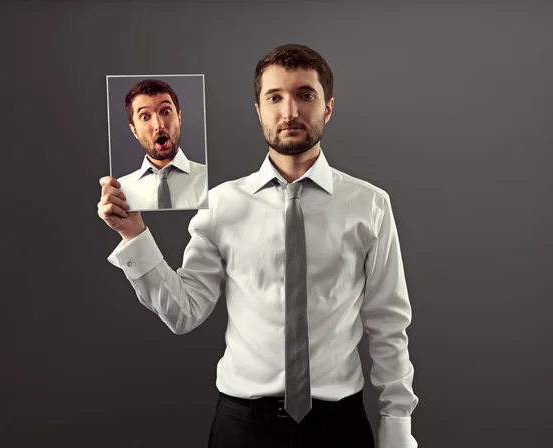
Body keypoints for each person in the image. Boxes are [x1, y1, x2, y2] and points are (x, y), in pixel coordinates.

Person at [98, 44, 419, 448]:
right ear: (258, 110)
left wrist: (397, 424)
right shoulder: (220, 205)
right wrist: (134, 235)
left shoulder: (370, 204)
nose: (290, 112)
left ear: (328, 108)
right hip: (243, 429)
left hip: (339, 427)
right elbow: (184, 313)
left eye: (305, 95)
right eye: (275, 97)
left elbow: (388, 323)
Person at [116, 79, 208, 210]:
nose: (159, 125)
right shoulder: (120, 192)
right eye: (145, 117)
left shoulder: (210, 181)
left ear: (179, 118)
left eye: (166, 112)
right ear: (134, 131)